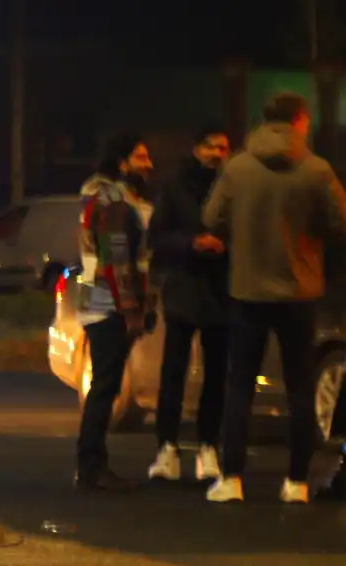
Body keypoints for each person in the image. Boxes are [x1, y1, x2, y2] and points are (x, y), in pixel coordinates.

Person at [203, 92, 346, 503]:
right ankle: (297, 482)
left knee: (239, 385)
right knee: (300, 387)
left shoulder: (238, 168)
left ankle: (231, 478)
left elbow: (212, 217)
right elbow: (339, 223)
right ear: (300, 120)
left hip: (247, 289)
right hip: (300, 290)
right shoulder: (317, 171)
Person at [145, 127, 231, 482]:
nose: (218, 153)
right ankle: (168, 447)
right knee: (173, 371)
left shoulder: (232, 185)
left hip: (220, 289)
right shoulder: (175, 186)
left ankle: (209, 447)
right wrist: (191, 243)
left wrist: (224, 246)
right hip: (183, 286)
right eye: (211, 146)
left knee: (216, 375)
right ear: (196, 149)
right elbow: (157, 237)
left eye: (224, 147)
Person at [75, 133, 155, 492]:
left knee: (104, 388)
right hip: (108, 305)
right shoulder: (113, 199)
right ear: (122, 162)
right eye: (140, 157)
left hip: (96, 300)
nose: (148, 164)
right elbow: (118, 258)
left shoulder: (98, 194)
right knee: (105, 388)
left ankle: (91, 465)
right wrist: (131, 309)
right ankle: (92, 466)